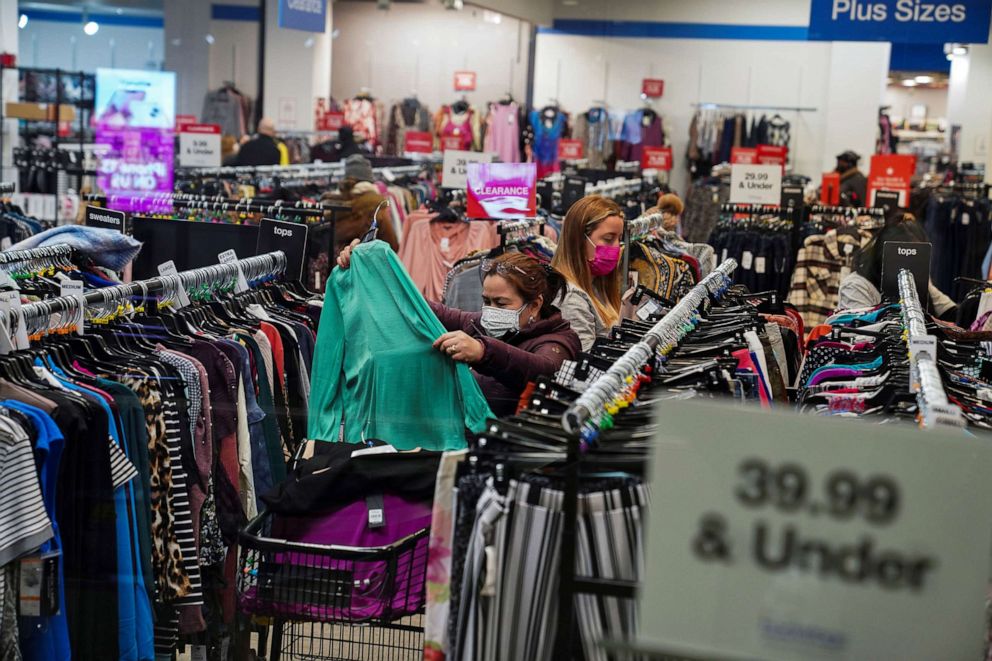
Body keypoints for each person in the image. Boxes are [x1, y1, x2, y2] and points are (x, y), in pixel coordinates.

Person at [336, 245, 581, 416]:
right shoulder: (482, 325)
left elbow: (542, 370)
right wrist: (373, 267)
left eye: (501, 303)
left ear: (536, 305)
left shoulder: (558, 343)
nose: (491, 310)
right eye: (486, 301)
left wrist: (482, 352)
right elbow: (423, 310)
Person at [838, 212, 956, 318]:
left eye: (916, 256)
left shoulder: (916, 275)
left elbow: (948, 309)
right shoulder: (856, 286)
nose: (910, 262)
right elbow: (859, 332)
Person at [550, 195, 626, 350]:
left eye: (619, 238)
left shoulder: (597, 284)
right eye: (608, 238)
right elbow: (584, 364)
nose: (617, 247)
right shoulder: (571, 299)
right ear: (579, 239)